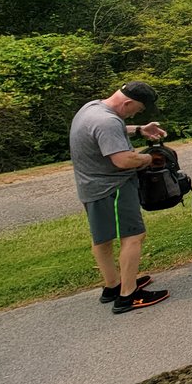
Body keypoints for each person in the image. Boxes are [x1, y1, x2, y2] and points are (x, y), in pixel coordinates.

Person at [70, 81, 171, 314]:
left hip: (91, 187)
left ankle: (113, 286)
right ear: (127, 103)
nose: (137, 113)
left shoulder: (92, 108)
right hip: (113, 188)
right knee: (134, 236)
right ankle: (128, 296)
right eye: (138, 109)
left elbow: (106, 131)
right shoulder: (107, 121)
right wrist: (151, 159)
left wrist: (139, 129)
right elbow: (124, 161)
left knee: (103, 239)